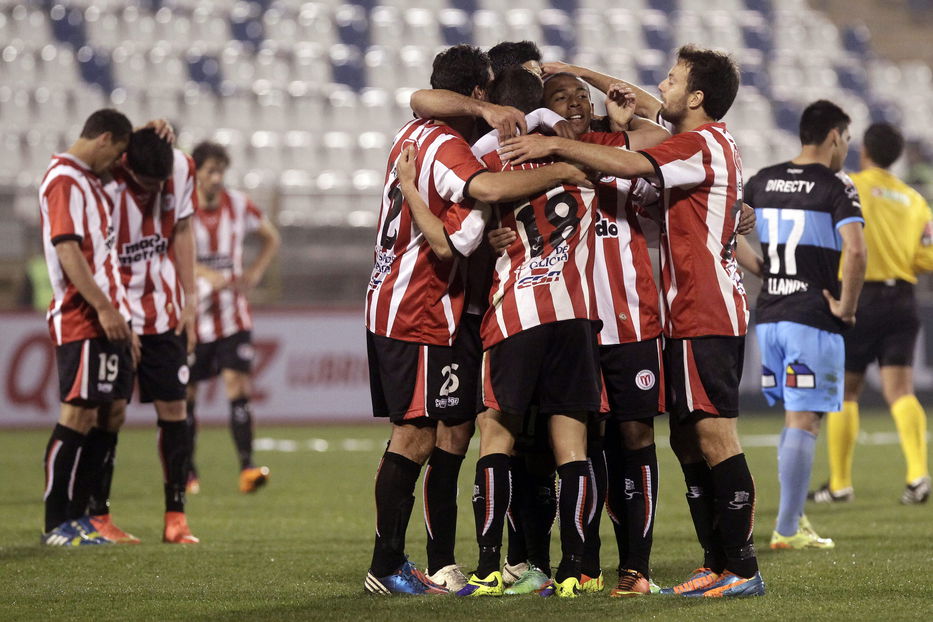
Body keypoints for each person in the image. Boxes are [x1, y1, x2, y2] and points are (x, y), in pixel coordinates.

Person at [499, 44, 765, 598]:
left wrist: (554, 140)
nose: (661, 86)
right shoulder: (700, 140)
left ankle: (742, 568)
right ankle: (716, 563)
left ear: (696, 97)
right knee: (689, 440)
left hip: (703, 308)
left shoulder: (698, 142)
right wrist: (583, 81)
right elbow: (642, 114)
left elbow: (632, 157)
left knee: (714, 434)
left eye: (674, 79)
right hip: (682, 310)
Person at [364, 44, 589, 596]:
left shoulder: (410, 133)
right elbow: (474, 204)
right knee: (422, 436)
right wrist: (563, 167)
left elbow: (421, 103)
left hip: (408, 302)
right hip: (422, 307)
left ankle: (417, 562)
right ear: (480, 95)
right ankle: (392, 564)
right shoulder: (446, 144)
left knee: (442, 433)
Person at [740, 100, 866, 549]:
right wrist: (847, 310)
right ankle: (788, 530)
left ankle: (793, 520)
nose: (846, 148)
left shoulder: (762, 178)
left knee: (797, 416)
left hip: (771, 316)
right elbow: (855, 251)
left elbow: (724, 229)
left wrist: (764, 272)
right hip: (810, 317)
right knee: (804, 418)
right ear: (834, 136)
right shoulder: (837, 185)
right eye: (847, 139)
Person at [71, 127, 201, 545]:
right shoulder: (104, 181)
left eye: (161, 185)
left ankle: (176, 517)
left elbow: (182, 230)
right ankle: (98, 515)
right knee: (109, 413)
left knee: (175, 410)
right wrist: (115, 315)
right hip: (112, 312)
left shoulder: (181, 166)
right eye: (147, 185)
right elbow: (93, 252)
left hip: (163, 310)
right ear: (127, 165)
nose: (155, 192)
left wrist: (190, 298)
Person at [812, 122, 933, 505]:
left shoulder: (850, 186)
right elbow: (926, 256)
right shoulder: (913, 199)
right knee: (901, 391)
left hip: (858, 298)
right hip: (902, 300)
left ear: (864, 151)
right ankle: (918, 477)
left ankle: (841, 484)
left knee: (846, 392)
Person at [38, 109, 136, 546]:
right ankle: (57, 522)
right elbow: (68, 250)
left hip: (109, 317)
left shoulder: (92, 182)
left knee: (109, 411)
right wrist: (103, 308)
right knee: (77, 412)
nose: (118, 162)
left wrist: (121, 317)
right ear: (104, 139)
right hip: (82, 315)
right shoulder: (64, 179)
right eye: (117, 151)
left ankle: (87, 517)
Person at [185, 141, 280, 494]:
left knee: (237, 387)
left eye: (220, 171)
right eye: (210, 171)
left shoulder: (238, 204)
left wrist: (255, 272)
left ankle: (247, 468)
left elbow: (271, 237)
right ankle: (187, 470)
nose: (216, 178)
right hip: (193, 315)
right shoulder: (182, 208)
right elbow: (170, 252)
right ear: (196, 173)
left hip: (232, 315)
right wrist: (204, 274)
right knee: (187, 394)